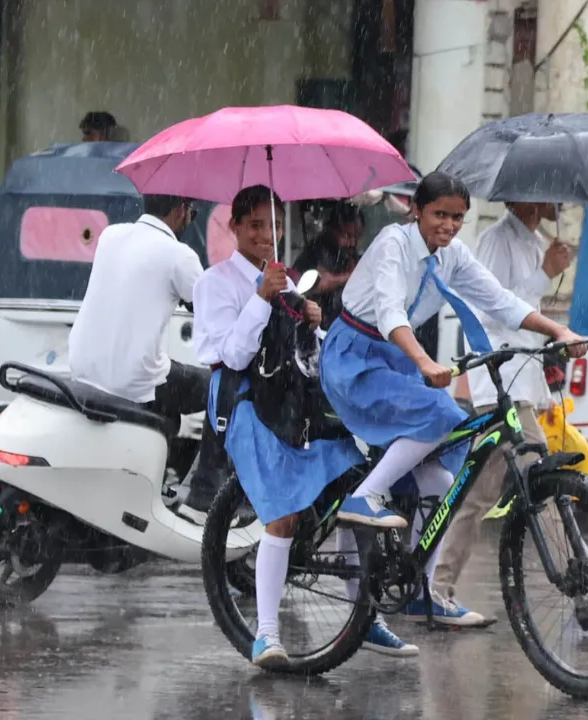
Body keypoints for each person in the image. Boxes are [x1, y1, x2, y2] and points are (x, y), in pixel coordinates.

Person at [318, 173, 588, 627]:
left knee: (444, 485)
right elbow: (388, 312)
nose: (448, 225)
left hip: (394, 363)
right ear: (416, 211)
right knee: (443, 413)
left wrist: (558, 331)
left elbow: (500, 300)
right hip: (355, 358)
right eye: (439, 214)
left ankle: (424, 593)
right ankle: (366, 495)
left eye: (457, 217)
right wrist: (425, 362)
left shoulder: (453, 256)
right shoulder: (392, 244)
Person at [192, 186, 411, 667]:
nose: (265, 236)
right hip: (245, 404)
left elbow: (307, 348)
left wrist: (309, 318)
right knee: (283, 511)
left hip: (293, 404)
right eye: (254, 226)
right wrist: (259, 299)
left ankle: (365, 612)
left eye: (271, 227)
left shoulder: (286, 281)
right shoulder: (215, 282)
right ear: (234, 228)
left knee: (352, 495)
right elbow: (233, 355)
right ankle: (266, 634)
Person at [418, 202, 568, 625]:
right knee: (540, 476)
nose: (557, 201)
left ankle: (438, 588)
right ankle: (579, 579)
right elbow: (485, 309)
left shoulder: (537, 242)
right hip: (499, 383)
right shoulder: (495, 240)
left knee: (479, 495)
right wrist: (544, 273)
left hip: (522, 380)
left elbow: (523, 309)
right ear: (520, 196)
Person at [68, 194, 206, 430]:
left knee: (173, 386)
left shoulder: (110, 235)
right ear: (181, 210)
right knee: (221, 388)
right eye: (193, 213)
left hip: (83, 371)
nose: (190, 220)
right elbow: (212, 311)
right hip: (134, 383)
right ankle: (208, 466)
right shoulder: (181, 256)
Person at [291, 202, 363, 327]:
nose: (352, 242)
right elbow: (321, 283)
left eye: (357, 237)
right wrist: (349, 276)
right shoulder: (319, 249)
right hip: (316, 321)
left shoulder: (350, 253)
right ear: (332, 231)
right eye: (347, 236)